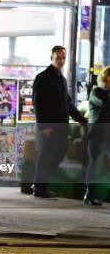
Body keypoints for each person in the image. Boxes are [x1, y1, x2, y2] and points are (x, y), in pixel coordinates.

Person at [31, 45, 87, 198]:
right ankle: (39, 187)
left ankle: (41, 185)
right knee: (47, 156)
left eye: (63, 58)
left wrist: (82, 120)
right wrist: (43, 127)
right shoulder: (42, 78)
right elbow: (38, 103)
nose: (61, 61)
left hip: (61, 126)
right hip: (49, 126)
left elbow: (67, 104)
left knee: (58, 155)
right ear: (52, 58)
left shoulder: (61, 79)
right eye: (58, 58)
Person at [84, 65, 110, 206]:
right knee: (95, 164)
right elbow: (105, 105)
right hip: (98, 135)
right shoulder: (96, 92)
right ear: (105, 77)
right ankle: (90, 194)